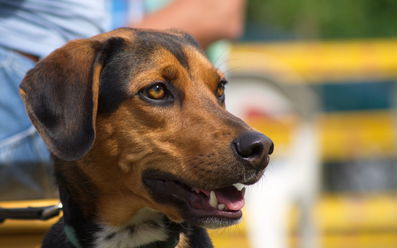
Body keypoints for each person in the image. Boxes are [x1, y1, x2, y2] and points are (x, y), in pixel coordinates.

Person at [0, 0, 245, 200]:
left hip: (40, 82)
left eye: (219, 90)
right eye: (158, 91)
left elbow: (218, 9)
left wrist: (125, 55)